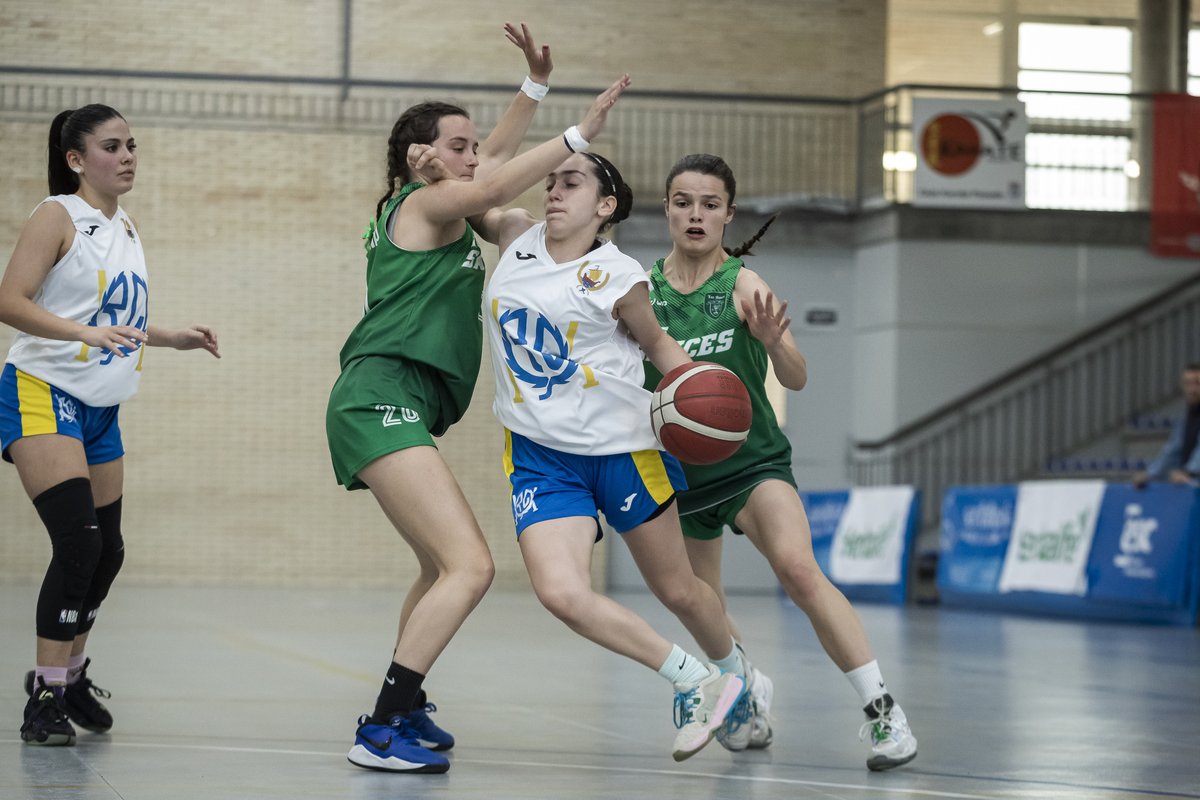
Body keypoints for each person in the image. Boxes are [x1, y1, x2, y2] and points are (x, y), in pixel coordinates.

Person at [324, 21, 632, 773]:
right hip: (378, 397)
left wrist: (532, 84)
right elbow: (494, 180)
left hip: (395, 399)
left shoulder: (441, 198)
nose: (473, 153)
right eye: (457, 145)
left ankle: (409, 701)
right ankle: (383, 725)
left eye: (469, 144)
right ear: (418, 158)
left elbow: (490, 165)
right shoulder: (423, 206)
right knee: (472, 566)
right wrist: (577, 131)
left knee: (437, 569)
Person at [467, 149, 748, 762]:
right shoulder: (516, 235)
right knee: (561, 593)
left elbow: (660, 347)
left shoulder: (618, 274)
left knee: (678, 589)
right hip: (540, 454)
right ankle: (691, 679)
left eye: (572, 184)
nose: (555, 193)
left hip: (623, 450)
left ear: (605, 205)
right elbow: (474, 191)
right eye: (551, 183)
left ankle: (736, 670)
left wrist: (715, 409)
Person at [643, 153, 918, 771]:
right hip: (680, 477)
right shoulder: (643, 291)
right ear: (666, 209)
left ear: (728, 215)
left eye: (710, 204)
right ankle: (748, 699)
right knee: (703, 606)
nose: (695, 214)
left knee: (797, 569)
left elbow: (796, 376)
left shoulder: (743, 284)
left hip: (752, 464)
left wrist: (773, 343)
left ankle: (883, 713)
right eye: (683, 201)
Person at [0, 104, 221, 746]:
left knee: (110, 549)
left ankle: (68, 675)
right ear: (76, 159)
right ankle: (44, 697)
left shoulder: (123, 225)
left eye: (132, 146)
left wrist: (168, 336)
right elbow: (10, 300)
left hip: (101, 405)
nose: (127, 156)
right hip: (44, 391)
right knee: (79, 545)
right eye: (112, 146)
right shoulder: (57, 215)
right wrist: (82, 333)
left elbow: (107, 316)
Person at [1132, 363, 1200, 488]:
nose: (1192, 389)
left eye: (1197, 383)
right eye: (1188, 384)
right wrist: (1149, 474)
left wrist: (1189, 472)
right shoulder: (1184, 420)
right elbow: (1172, 452)